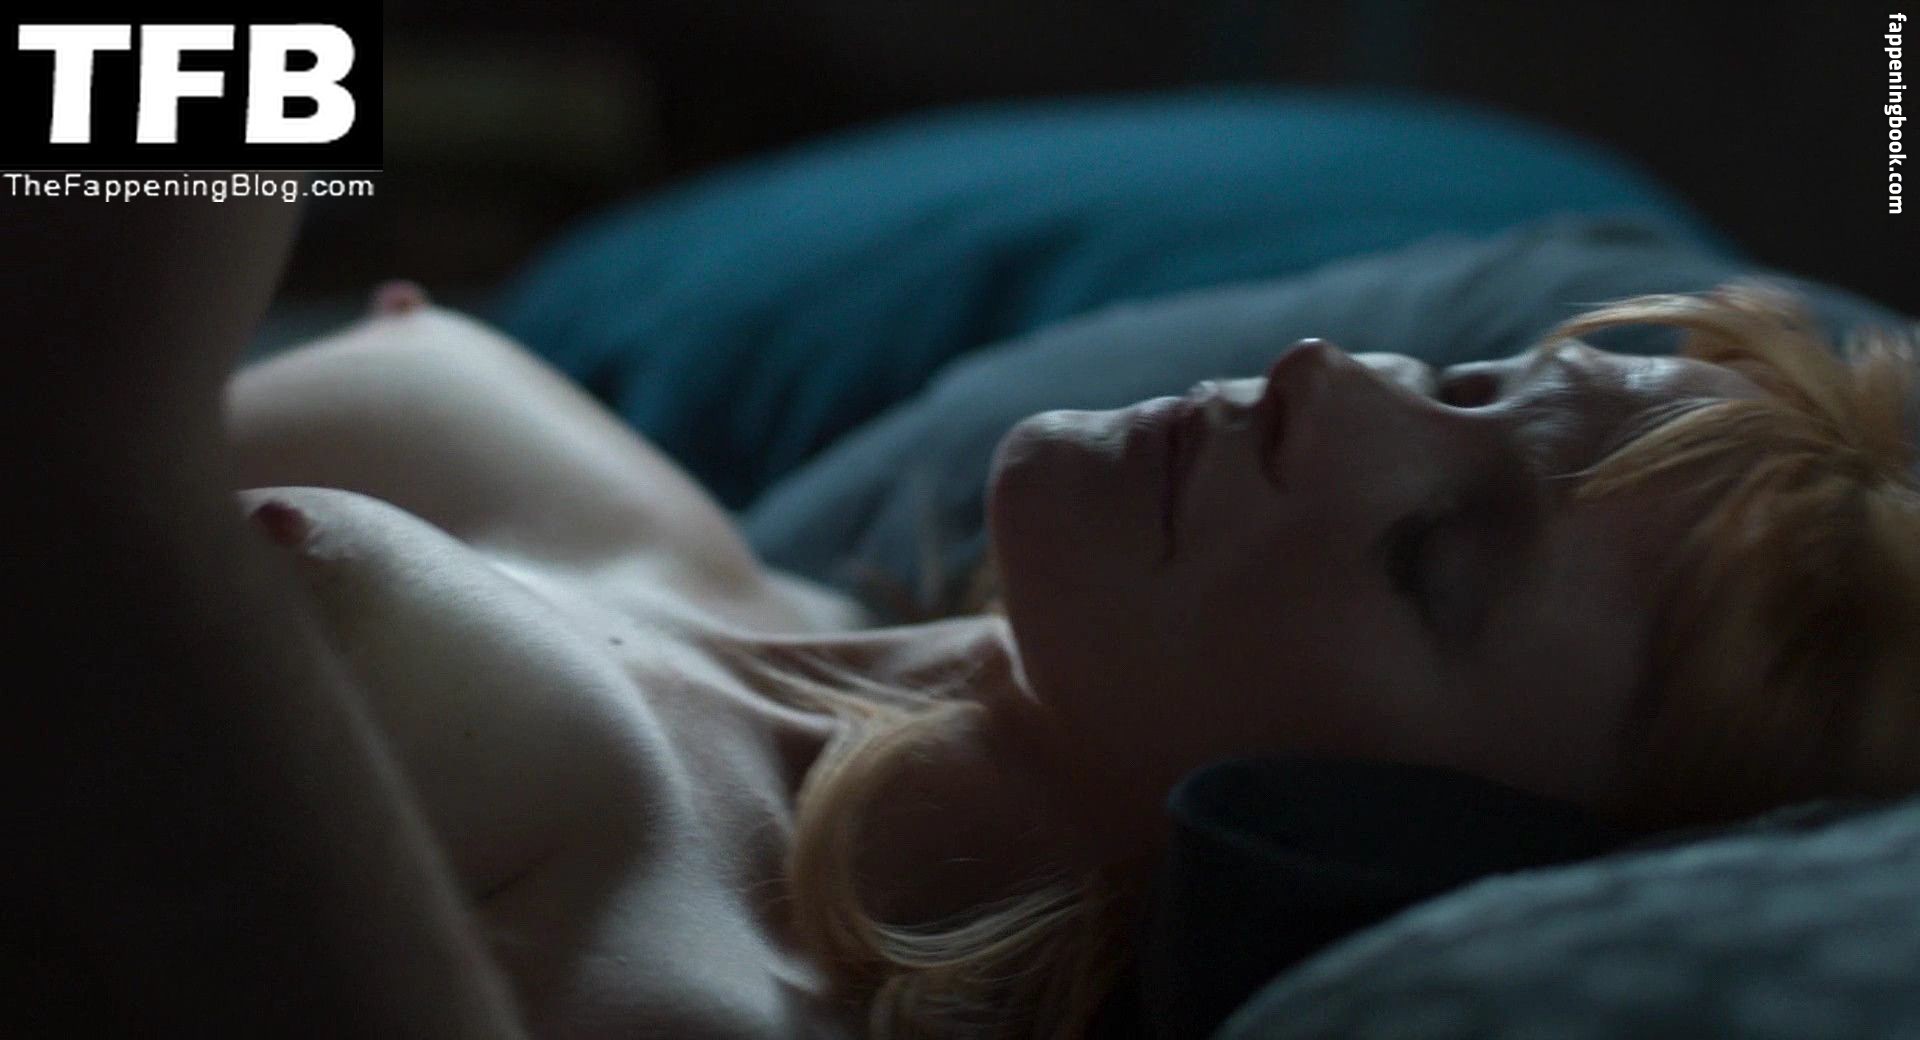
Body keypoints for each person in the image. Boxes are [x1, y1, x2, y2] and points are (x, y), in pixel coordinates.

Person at [12, 200, 1920, 1039]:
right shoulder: (703, 548)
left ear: (1390, 854)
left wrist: (107, 418)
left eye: (1433, 557)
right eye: (1476, 383)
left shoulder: (690, 985)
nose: (1332, 383)